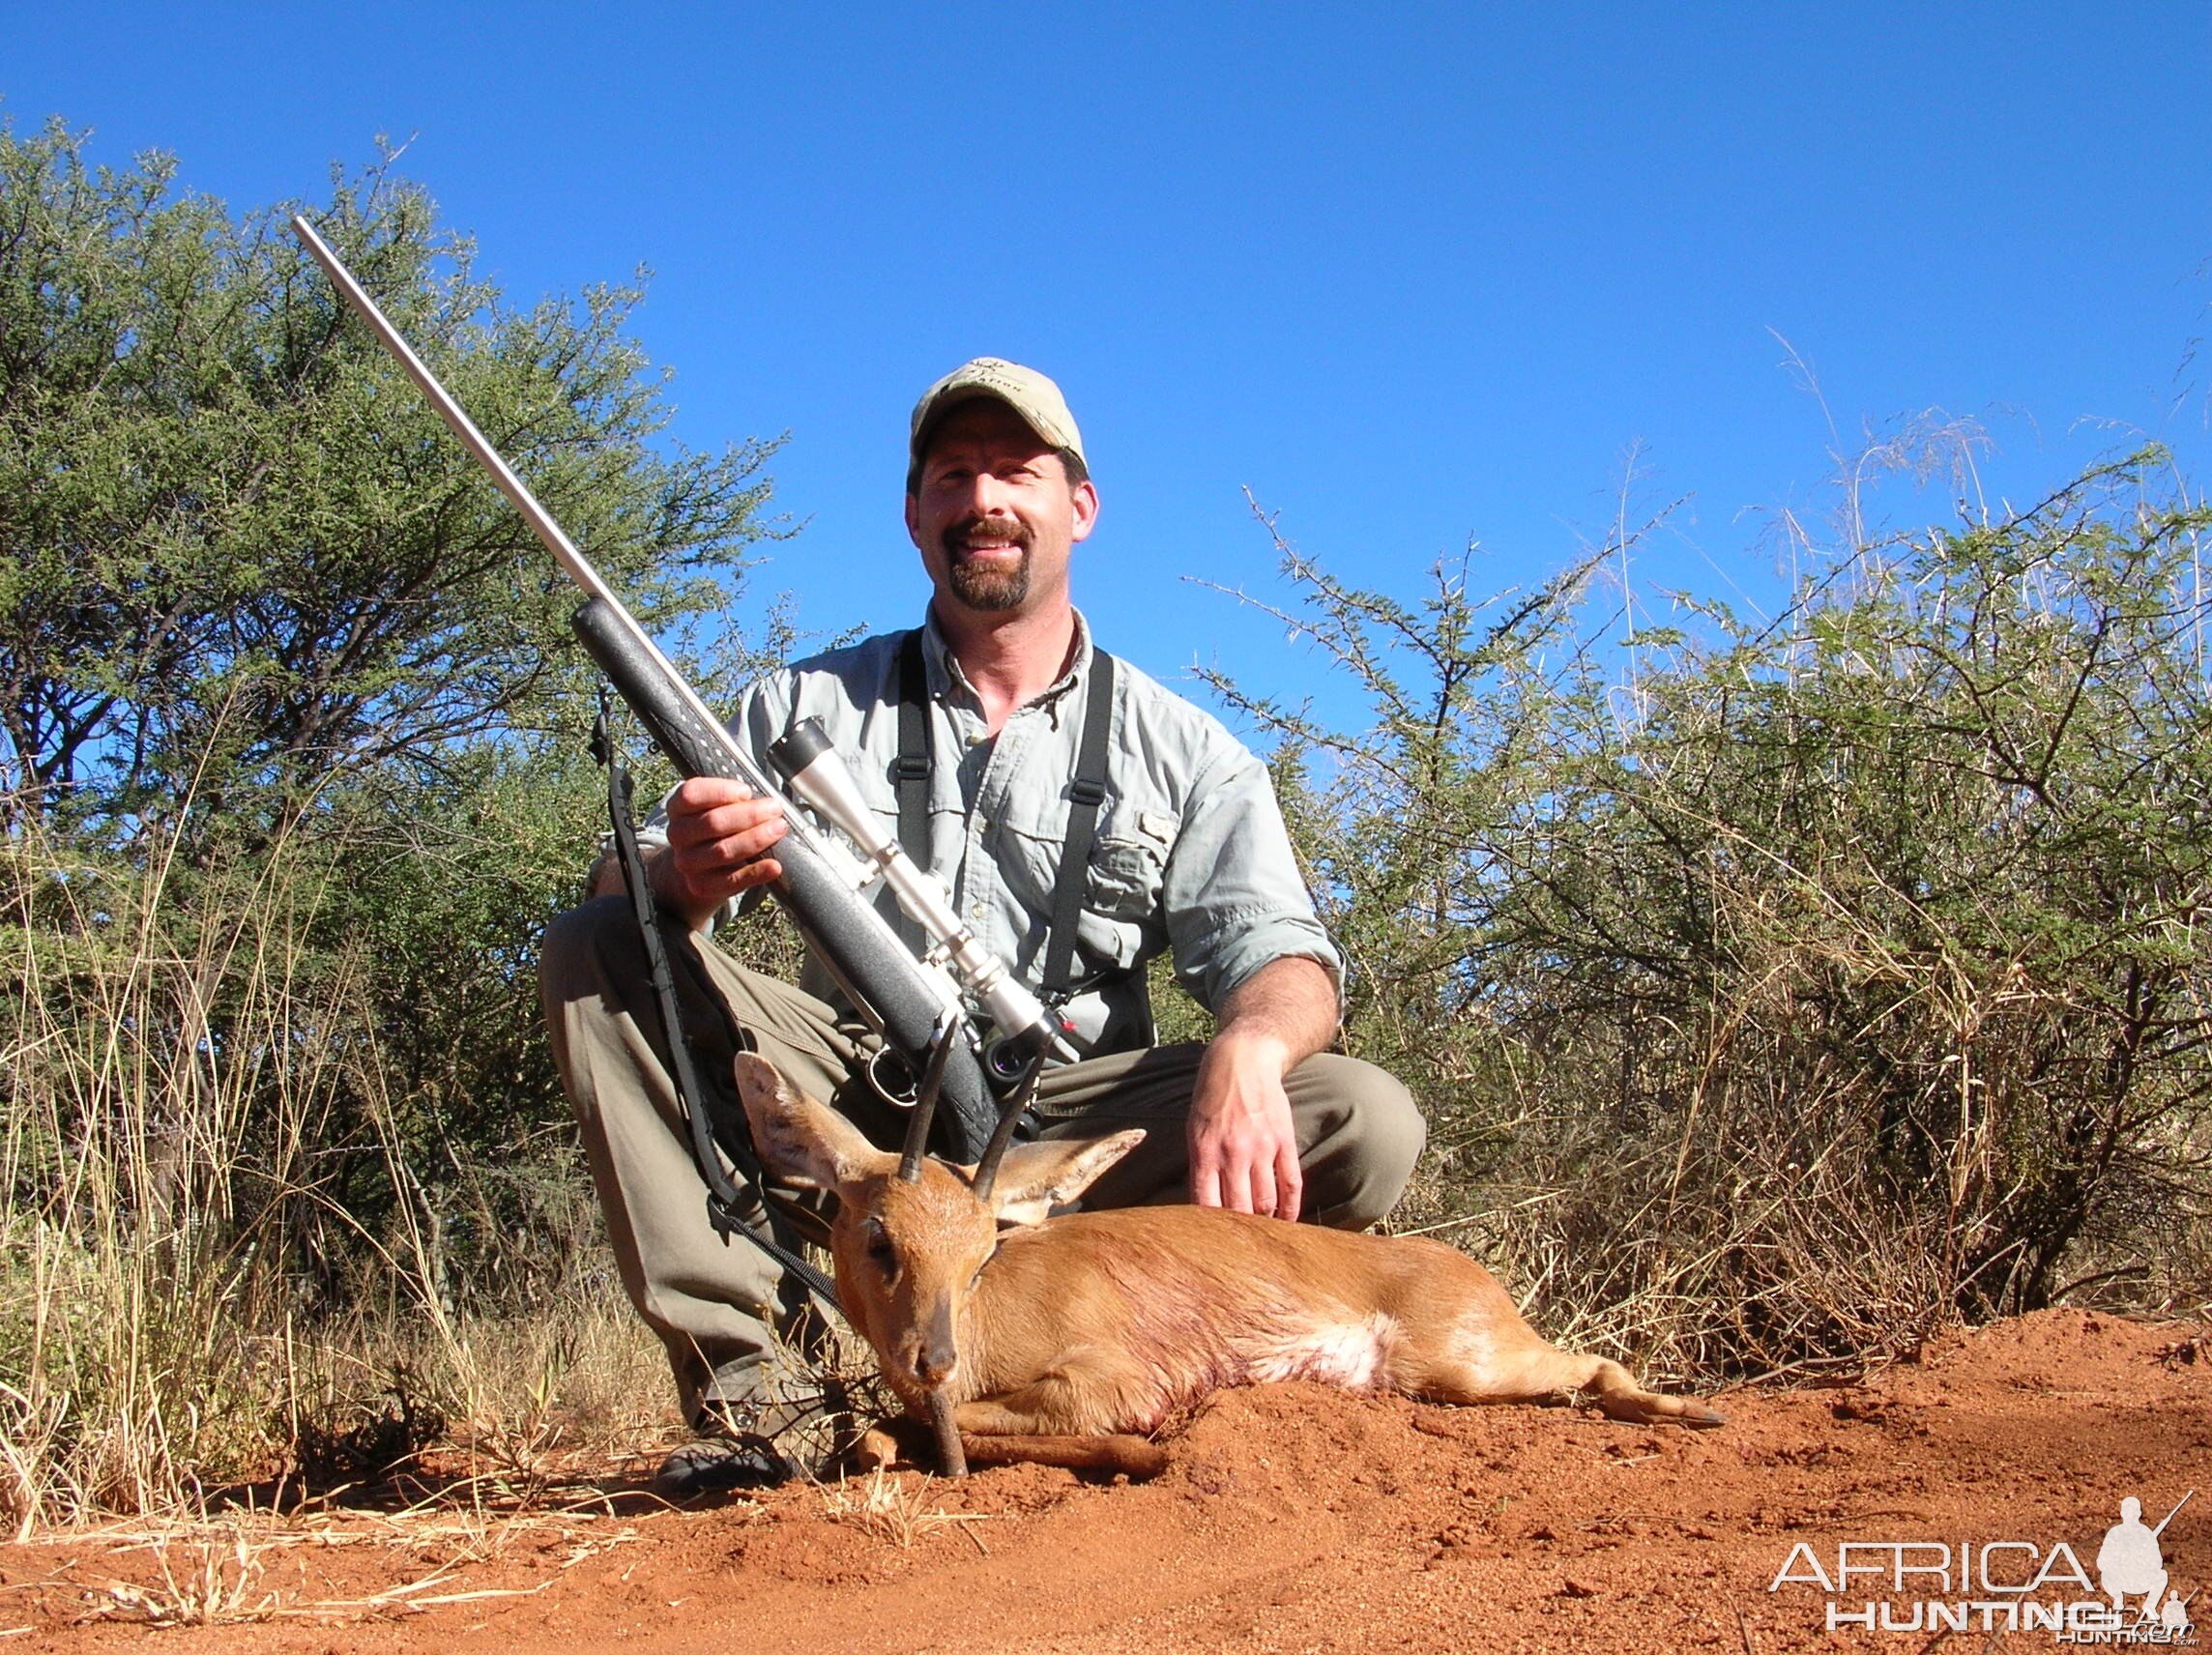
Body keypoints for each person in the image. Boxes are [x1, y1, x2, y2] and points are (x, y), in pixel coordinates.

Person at [538, 358, 1426, 1491]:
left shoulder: (1188, 747)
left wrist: (1250, 1047)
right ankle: (749, 1406)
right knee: (593, 949)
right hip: (862, 1105)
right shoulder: (792, 707)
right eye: (952, 475)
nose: (983, 500)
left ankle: (1164, 1355)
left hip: (1064, 1110)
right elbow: (628, 892)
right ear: (915, 512)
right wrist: (687, 880)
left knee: (1358, 1116)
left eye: (1015, 470)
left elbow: (1283, 955)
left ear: (1078, 507)